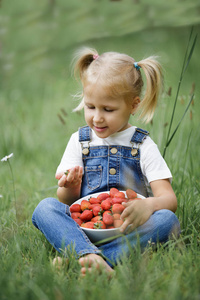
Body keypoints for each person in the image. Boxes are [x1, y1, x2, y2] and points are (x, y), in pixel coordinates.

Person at [32, 47, 180, 276]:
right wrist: (70, 186)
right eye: (90, 107)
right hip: (85, 229)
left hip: (130, 229)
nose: (97, 117)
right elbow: (67, 201)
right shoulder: (80, 141)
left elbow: (169, 199)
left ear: (133, 105)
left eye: (108, 109)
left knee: (167, 220)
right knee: (46, 208)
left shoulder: (143, 146)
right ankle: (95, 255)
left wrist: (148, 206)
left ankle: (81, 256)